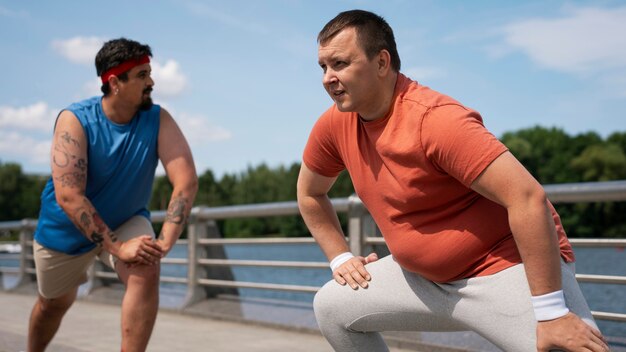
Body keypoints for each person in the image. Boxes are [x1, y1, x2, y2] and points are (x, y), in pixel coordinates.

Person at [297, 10, 609, 352]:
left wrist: (551, 313)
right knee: (331, 306)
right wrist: (340, 257)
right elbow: (311, 193)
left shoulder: (435, 120)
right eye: (323, 67)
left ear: (382, 62)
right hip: (422, 281)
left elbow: (527, 197)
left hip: (503, 269)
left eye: (340, 63)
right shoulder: (334, 125)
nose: (328, 78)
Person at [27, 38, 198, 352]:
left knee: (145, 265)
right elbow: (69, 196)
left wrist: (164, 242)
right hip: (65, 231)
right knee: (53, 304)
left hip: (125, 220)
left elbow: (185, 181)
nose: (152, 81)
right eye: (142, 75)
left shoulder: (157, 119)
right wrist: (118, 248)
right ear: (115, 82)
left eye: (150, 72)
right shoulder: (75, 120)